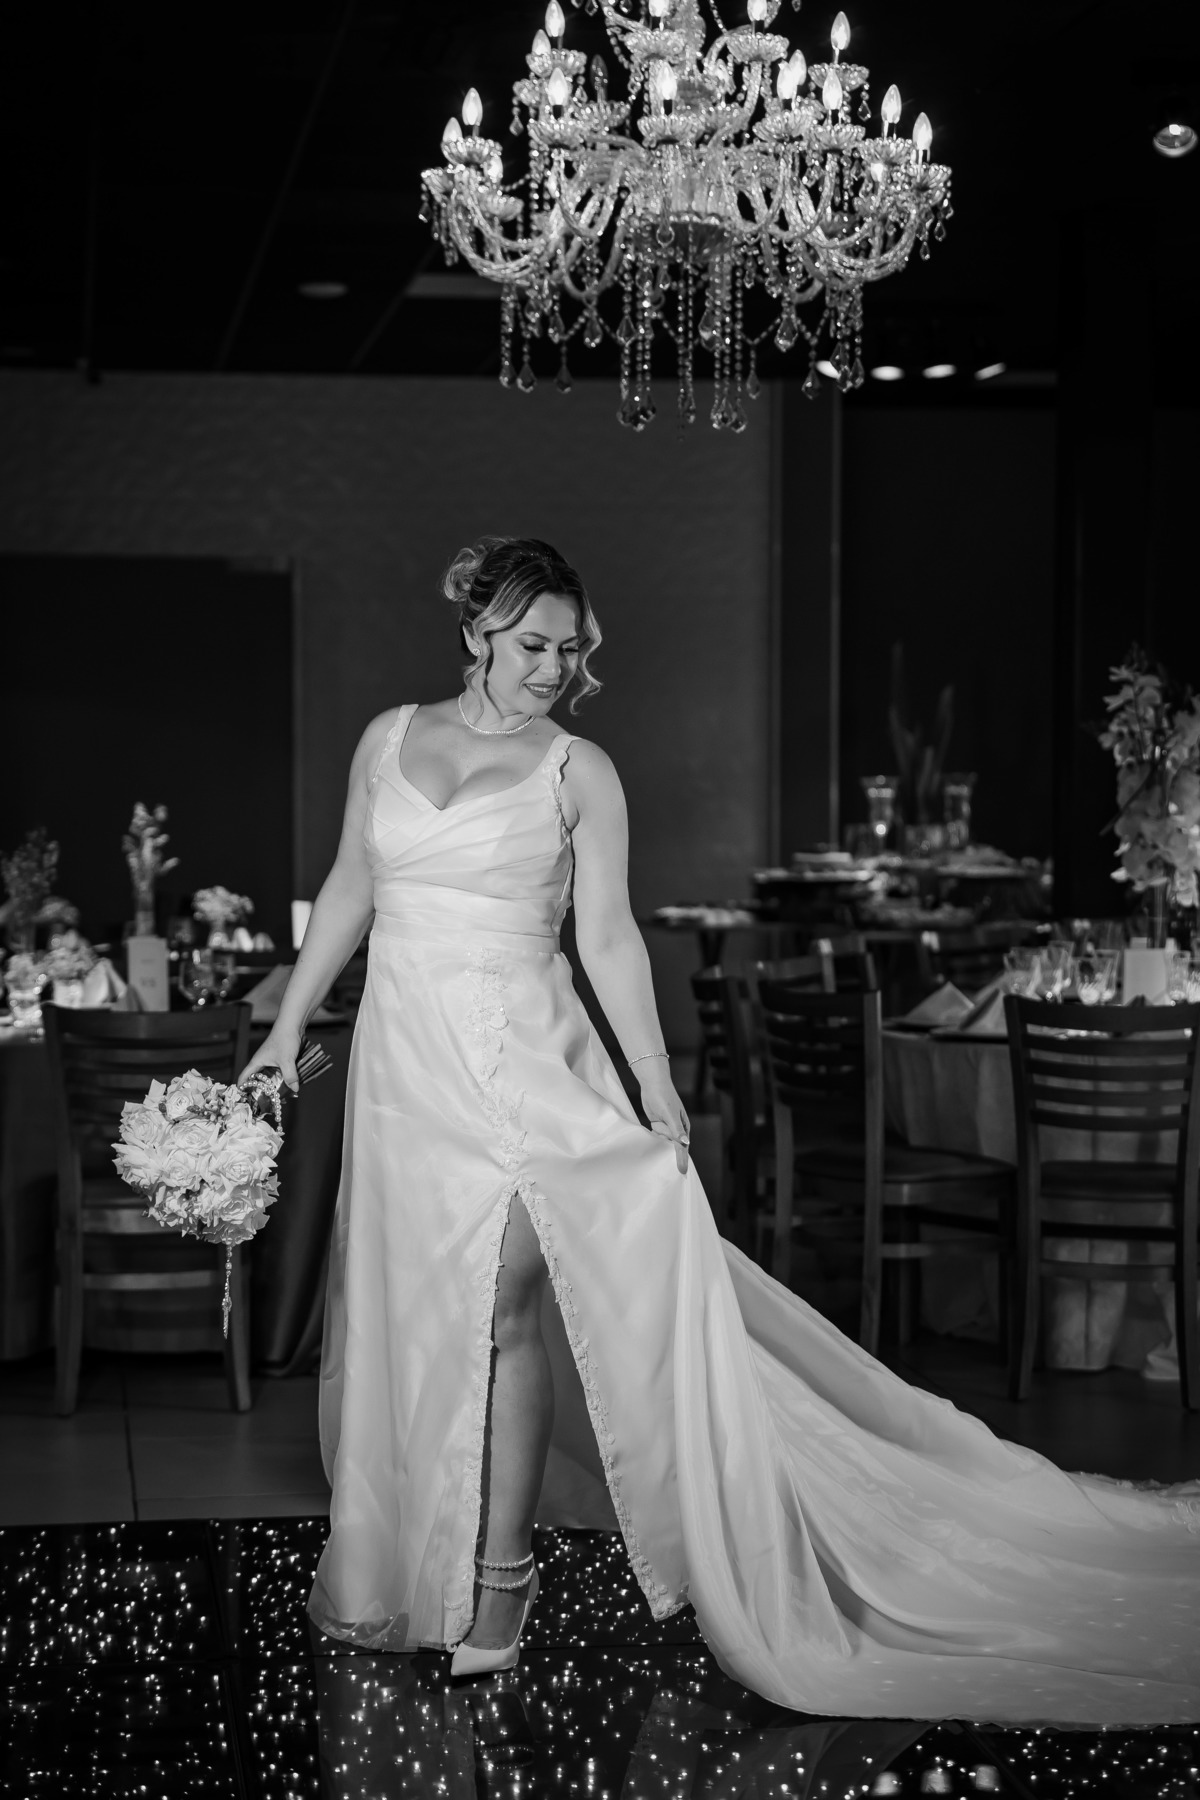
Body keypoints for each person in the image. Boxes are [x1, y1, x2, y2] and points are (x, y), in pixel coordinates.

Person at [243, 536, 1200, 1722]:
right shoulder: (388, 739)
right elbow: (352, 884)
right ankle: (414, 1559)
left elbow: (606, 938)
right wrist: (288, 1027)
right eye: (533, 644)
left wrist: (655, 1086)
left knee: (500, 1307)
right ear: (477, 632)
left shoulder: (579, 770)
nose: (554, 668)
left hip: (528, 1068)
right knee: (422, 1310)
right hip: (405, 1074)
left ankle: (502, 1577)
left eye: (571, 649)